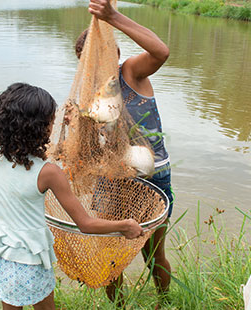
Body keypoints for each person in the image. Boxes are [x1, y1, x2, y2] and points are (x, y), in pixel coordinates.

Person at [0, 82, 146, 310]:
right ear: (39, 128)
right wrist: (125, 226)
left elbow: (29, 165)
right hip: (28, 260)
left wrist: (75, 126)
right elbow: (85, 224)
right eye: (50, 121)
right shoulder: (48, 173)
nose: (52, 125)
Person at [72, 0, 174, 303]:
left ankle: (165, 303)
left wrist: (113, 17)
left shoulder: (131, 73)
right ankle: (118, 306)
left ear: (116, 55)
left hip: (152, 177)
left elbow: (161, 52)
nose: (98, 67)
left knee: (153, 254)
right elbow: (90, 154)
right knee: (109, 256)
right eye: (89, 61)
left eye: (104, 57)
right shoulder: (89, 98)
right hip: (114, 178)